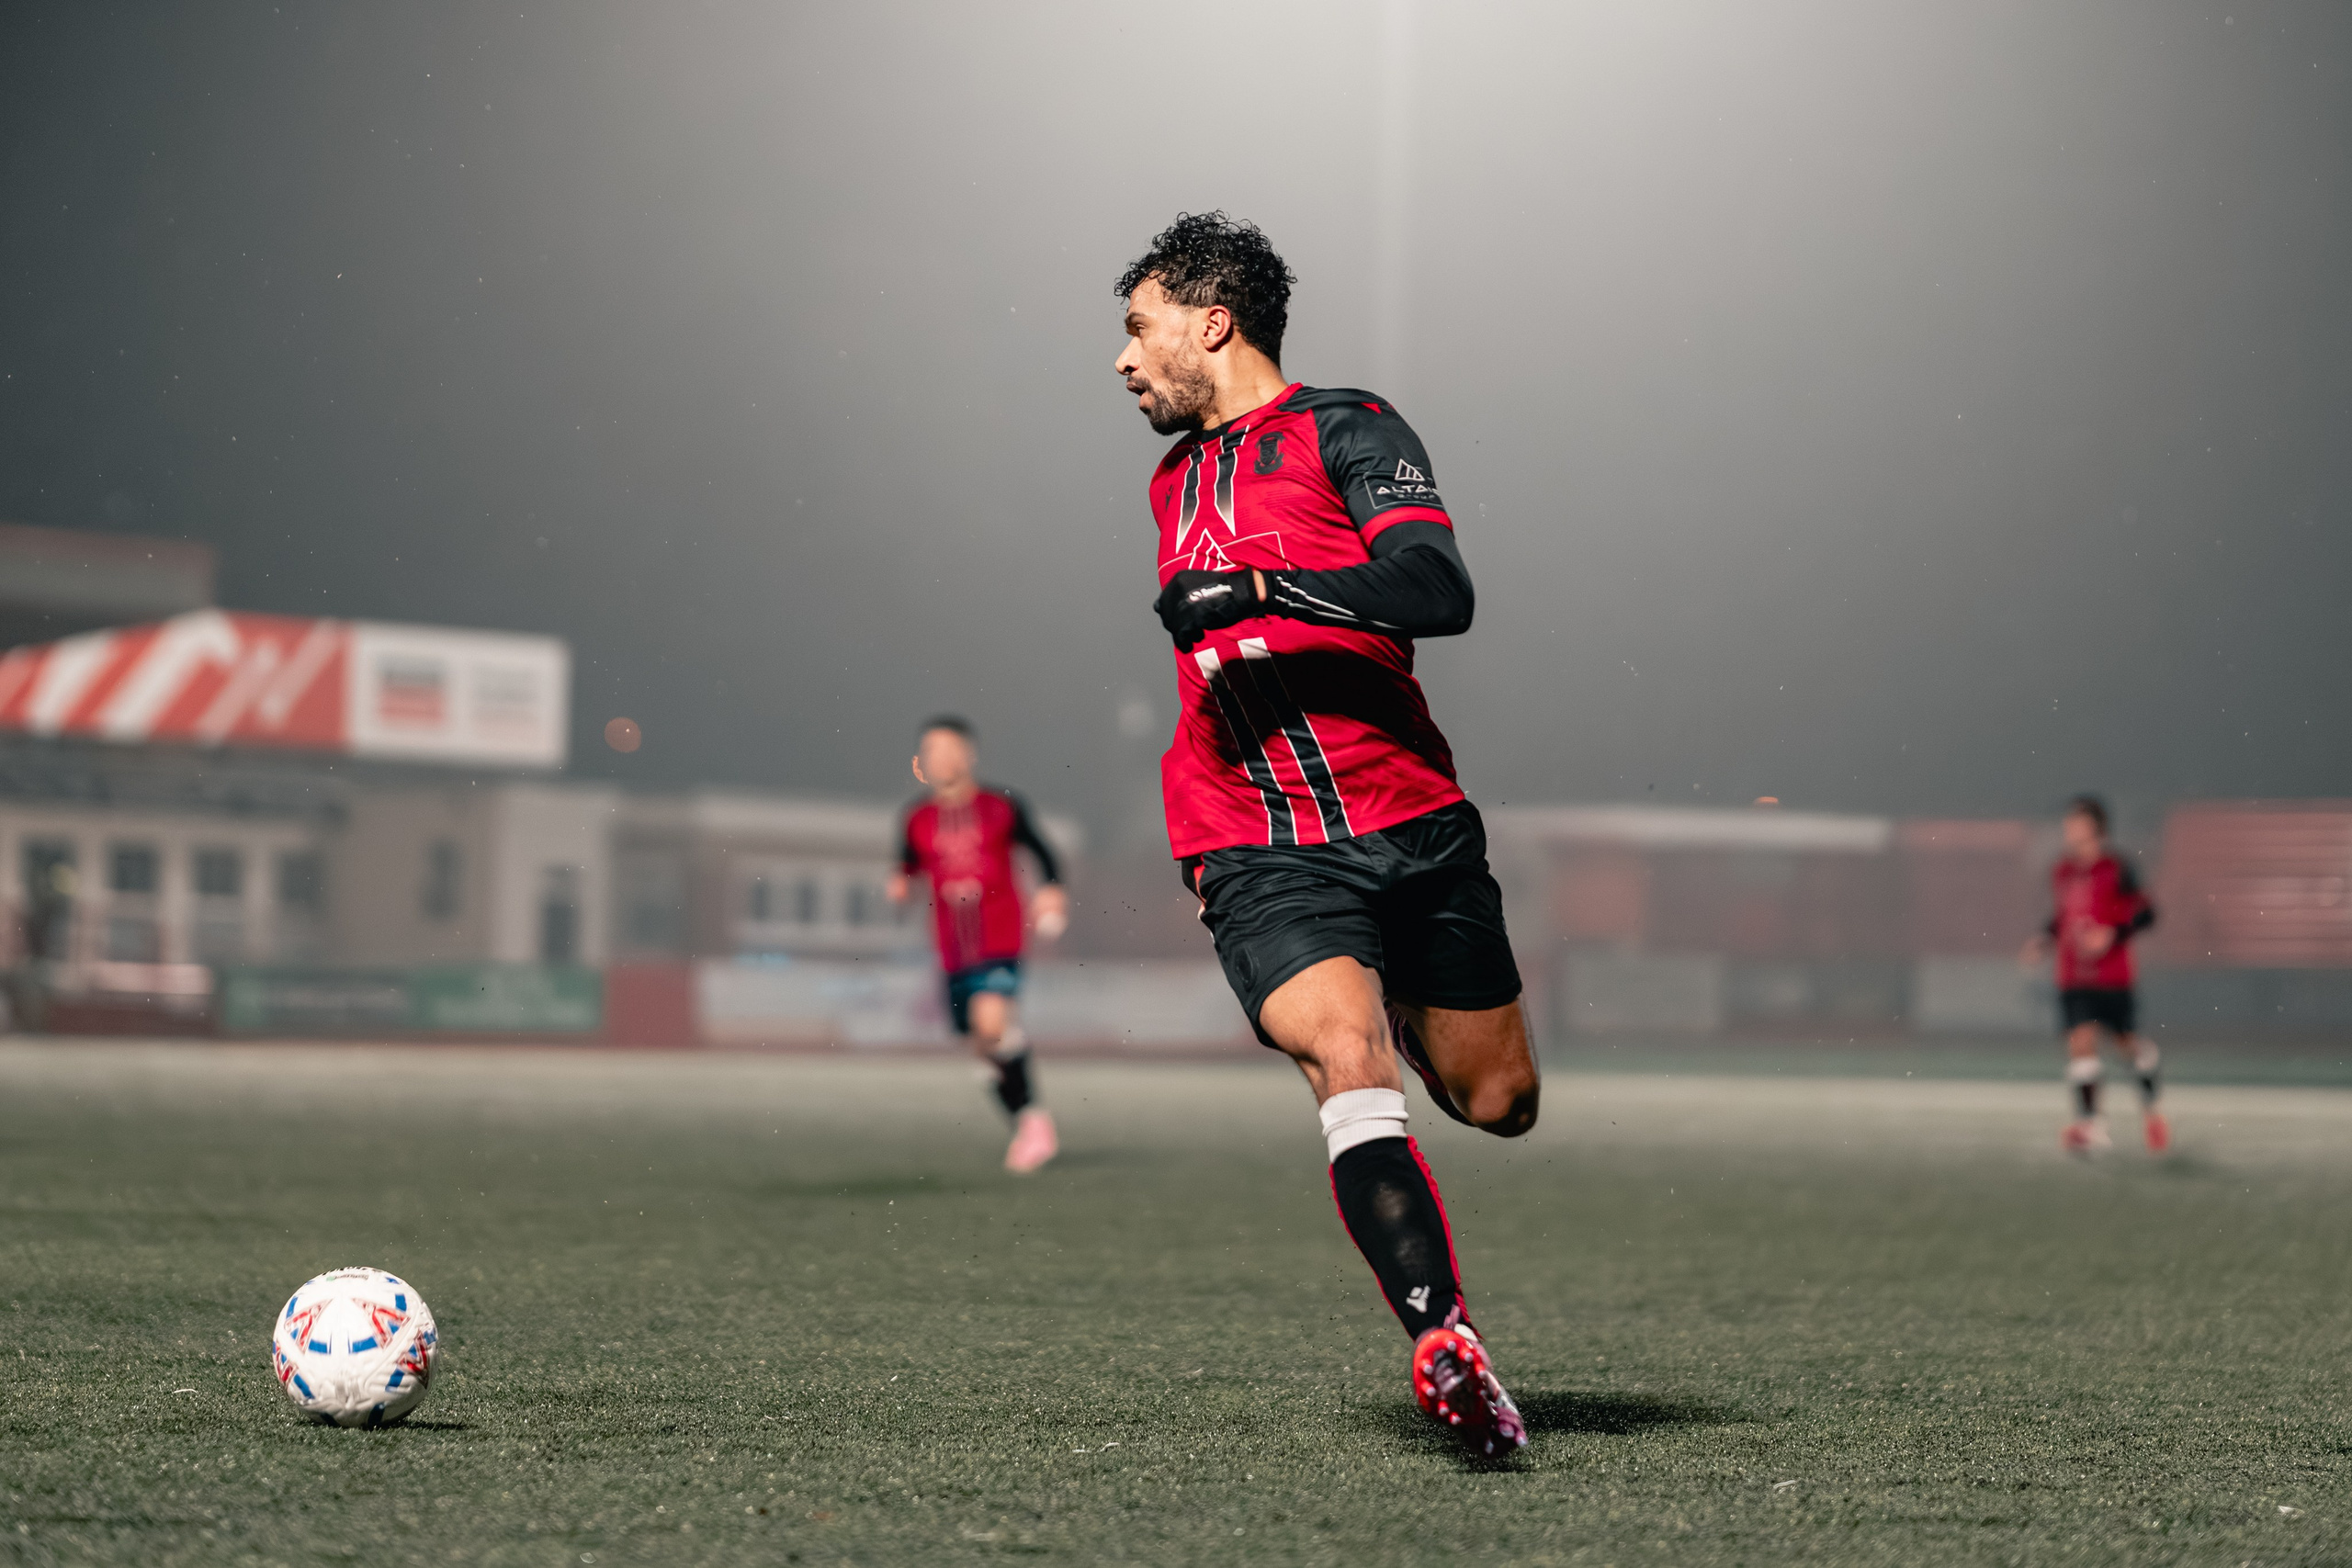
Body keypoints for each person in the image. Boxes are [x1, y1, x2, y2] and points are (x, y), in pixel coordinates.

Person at [1111, 212, 1540, 1456]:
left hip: (1412, 820)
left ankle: (1402, 992)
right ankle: (1445, 1339)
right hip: (1253, 842)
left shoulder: (1350, 427)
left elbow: (1436, 590)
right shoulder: (1170, 475)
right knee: (1349, 1059)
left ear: (1211, 318)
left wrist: (1264, 586)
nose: (1124, 359)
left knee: (1499, 1096)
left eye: (1139, 327)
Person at [888, 716, 1069, 1173]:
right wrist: (899, 888)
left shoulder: (1001, 806)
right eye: (931, 751)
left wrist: (1050, 890)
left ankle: (1030, 1119)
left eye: (950, 749)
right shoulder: (915, 818)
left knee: (989, 1025)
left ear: (969, 755)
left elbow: (1043, 851)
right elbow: (905, 867)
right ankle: (1031, 1122)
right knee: (983, 1045)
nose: (941, 759)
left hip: (1000, 938)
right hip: (952, 950)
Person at [2020, 795, 2165, 1155]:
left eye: (2075, 822)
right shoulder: (2063, 871)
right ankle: (2092, 1126)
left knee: (2126, 1048)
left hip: (2113, 978)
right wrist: (2044, 940)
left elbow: (2147, 913)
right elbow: (2062, 917)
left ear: (2095, 828)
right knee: (2080, 1042)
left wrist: (2112, 933)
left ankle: (2149, 1089)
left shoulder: (2118, 868)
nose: (2068, 829)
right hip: (2074, 978)